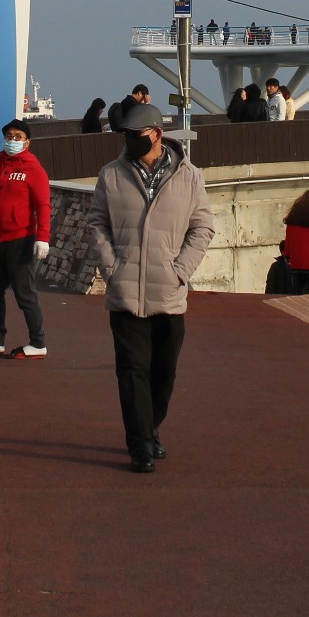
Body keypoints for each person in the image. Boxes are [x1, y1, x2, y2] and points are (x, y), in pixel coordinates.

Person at [91, 101, 213, 474]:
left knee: (164, 374)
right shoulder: (110, 175)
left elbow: (202, 227)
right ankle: (140, 444)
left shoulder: (189, 176)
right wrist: (111, 265)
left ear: (157, 134)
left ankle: (151, 427)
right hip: (125, 292)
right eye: (125, 136)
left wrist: (181, 270)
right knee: (131, 371)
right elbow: (97, 223)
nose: (128, 141)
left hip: (169, 293)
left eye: (135, 136)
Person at [0, 120, 53, 359]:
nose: (12, 140)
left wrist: (43, 238)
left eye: (18, 136)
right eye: (9, 135)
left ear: (27, 142)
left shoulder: (34, 170)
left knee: (25, 294)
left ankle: (38, 342)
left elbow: (43, 206)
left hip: (22, 241)